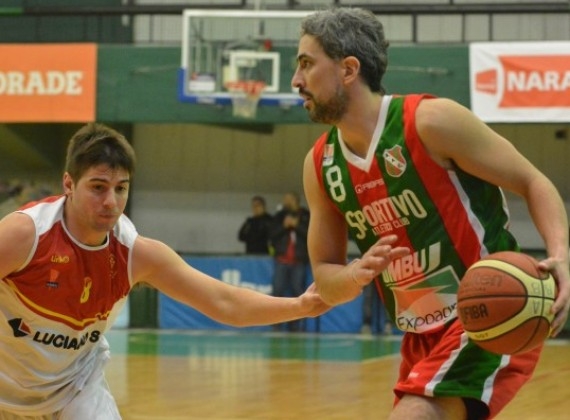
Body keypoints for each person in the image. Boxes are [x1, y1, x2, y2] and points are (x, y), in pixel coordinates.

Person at [292, 7, 570, 420]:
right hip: (419, 334)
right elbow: (326, 276)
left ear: (348, 69)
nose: (296, 81)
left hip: (487, 313)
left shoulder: (430, 121)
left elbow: (533, 181)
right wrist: (355, 274)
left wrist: (560, 255)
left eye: (306, 64)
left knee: (414, 415)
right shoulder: (321, 167)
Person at [0, 123, 329, 419]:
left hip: (74, 387)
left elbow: (225, 303)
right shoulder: (25, 235)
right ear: (69, 184)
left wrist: (301, 306)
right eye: (98, 187)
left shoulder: (135, 254)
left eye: (121, 188)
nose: (111, 202)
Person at [269, 192, 310, 331]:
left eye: (288, 199)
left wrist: (296, 226)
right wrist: (285, 226)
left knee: (298, 292)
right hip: (281, 259)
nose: (285, 202)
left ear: (295, 200)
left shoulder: (305, 215)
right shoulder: (280, 216)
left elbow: (311, 235)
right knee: (277, 290)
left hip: (299, 260)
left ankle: (296, 325)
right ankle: (276, 322)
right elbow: (272, 235)